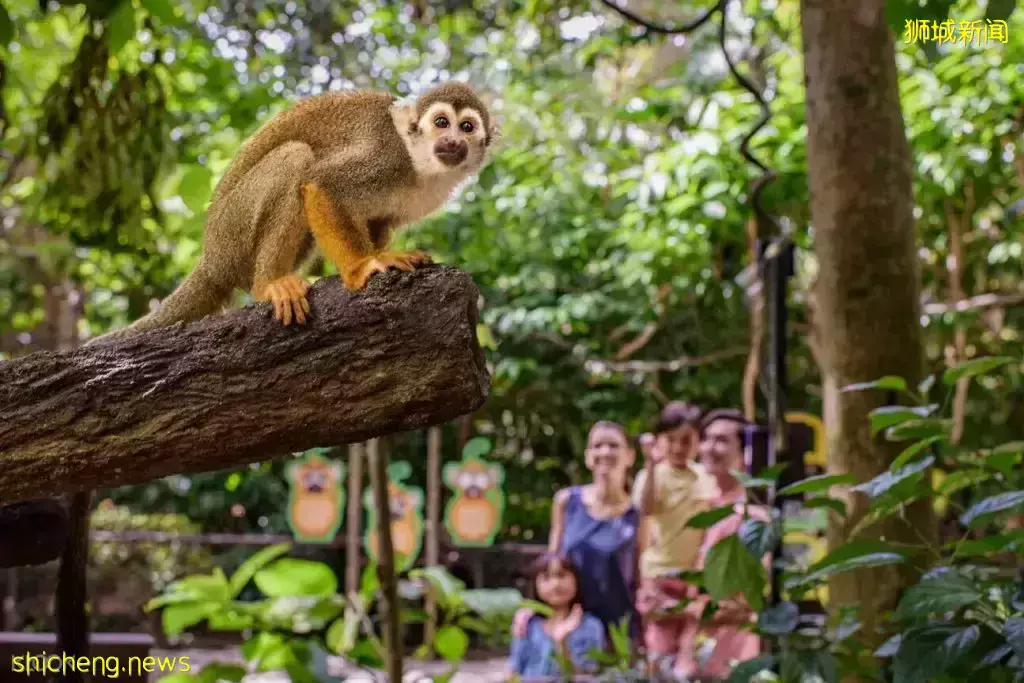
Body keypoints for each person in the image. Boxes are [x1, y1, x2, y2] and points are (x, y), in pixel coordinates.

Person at [513, 420, 641, 642]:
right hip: (573, 628)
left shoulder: (638, 515)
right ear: (587, 456)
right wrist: (532, 610)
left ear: (629, 456)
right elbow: (552, 565)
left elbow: (642, 578)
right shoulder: (566, 502)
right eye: (597, 445)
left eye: (613, 445)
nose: (605, 451)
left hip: (620, 628)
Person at [632, 401, 716, 678]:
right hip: (658, 575)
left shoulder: (704, 477)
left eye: (686, 440)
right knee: (658, 649)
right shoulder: (650, 475)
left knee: (689, 655)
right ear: (659, 440)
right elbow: (647, 508)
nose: (679, 448)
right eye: (671, 440)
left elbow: (709, 528)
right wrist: (651, 463)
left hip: (693, 578)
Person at [694, 408, 772, 679]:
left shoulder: (753, 518)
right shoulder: (703, 508)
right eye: (706, 438)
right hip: (698, 653)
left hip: (737, 655)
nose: (709, 447)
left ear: (744, 453)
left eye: (722, 440)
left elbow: (756, 596)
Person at [507, 552, 607, 679]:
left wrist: (562, 642)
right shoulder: (528, 624)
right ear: (535, 584)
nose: (555, 584)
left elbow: (588, 675)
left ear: (576, 580)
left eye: (562, 575)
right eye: (546, 578)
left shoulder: (591, 626)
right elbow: (514, 670)